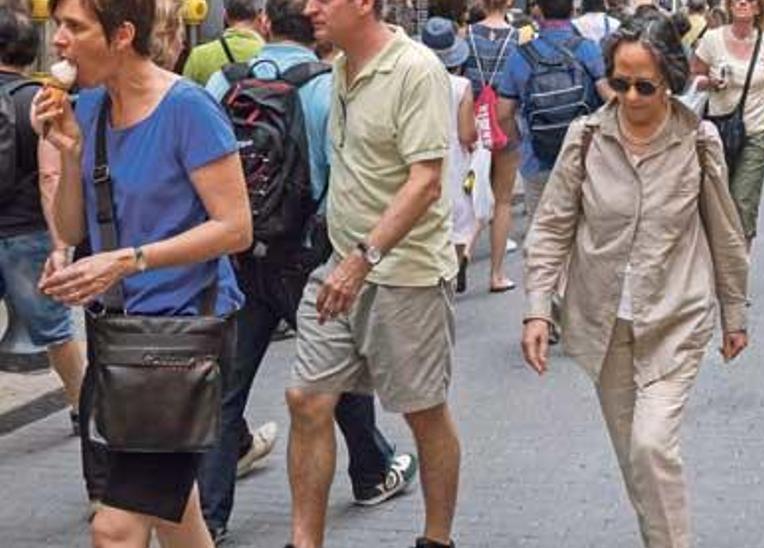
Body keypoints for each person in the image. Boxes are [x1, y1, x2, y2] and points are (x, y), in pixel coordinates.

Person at [521, 13, 750, 547]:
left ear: (670, 78)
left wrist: (734, 313)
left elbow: (725, 233)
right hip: (605, 327)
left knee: (651, 447)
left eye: (643, 85)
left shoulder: (698, 142)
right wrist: (536, 307)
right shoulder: (585, 138)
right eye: (618, 82)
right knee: (635, 460)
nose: (628, 96)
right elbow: (552, 226)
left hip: (676, 318)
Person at [35, 0, 253, 542]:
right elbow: (71, 227)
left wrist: (131, 259)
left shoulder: (188, 108)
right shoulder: (86, 109)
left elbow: (235, 228)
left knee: (116, 526)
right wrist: (64, 151)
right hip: (119, 337)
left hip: (184, 341)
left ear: (122, 35)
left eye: (75, 27)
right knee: (177, 515)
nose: (59, 40)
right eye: (58, 25)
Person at [202, 0, 417, 541]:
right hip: (307, 254)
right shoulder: (329, 86)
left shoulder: (222, 82)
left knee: (228, 388)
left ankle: (210, 515)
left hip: (239, 254)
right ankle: (371, 471)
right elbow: (343, 177)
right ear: (316, 33)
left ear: (267, 25)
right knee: (336, 368)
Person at [287, 0, 460, 545]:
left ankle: (437, 538)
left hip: (402, 274)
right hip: (341, 264)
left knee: (422, 412)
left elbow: (425, 180)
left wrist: (364, 259)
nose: (308, 8)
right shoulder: (339, 66)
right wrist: (346, 260)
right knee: (307, 399)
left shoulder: (415, 69)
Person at [0, 5, 87, 441]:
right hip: (27, 233)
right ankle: (81, 407)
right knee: (56, 330)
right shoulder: (39, 97)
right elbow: (51, 176)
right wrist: (61, 245)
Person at [496, 0, 608, 233]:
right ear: (573, 12)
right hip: (584, 157)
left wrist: (519, 142)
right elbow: (609, 98)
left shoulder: (519, 56)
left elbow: (503, 113)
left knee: (543, 237)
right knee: (584, 233)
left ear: (538, 12)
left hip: (537, 159)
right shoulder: (588, 50)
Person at [691, 0, 764, 247]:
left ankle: (738, 269)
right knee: (716, 200)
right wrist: (710, 80)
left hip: (758, 130)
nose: (742, 2)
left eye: (750, 0)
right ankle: (717, 263)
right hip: (718, 131)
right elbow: (693, 79)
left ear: (758, 8)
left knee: (743, 200)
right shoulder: (711, 40)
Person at [421, 16, 482, 294]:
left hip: (421, 154)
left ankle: (433, 274)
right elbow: (467, 133)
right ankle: (454, 268)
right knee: (459, 218)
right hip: (454, 159)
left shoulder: (415, 81)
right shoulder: (461, 85)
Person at [465, 0, 520, 293]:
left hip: (471, 121)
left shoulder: (467, 34)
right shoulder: (520, 37)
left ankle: (461, 254)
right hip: (505, 121)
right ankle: (497, 274)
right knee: (503, 200)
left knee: (468, 192)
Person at [182, 0, 267, 85]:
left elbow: (185, 92)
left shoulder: (198, 55)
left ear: (225, 16)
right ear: (258, 18)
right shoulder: (267, 55)